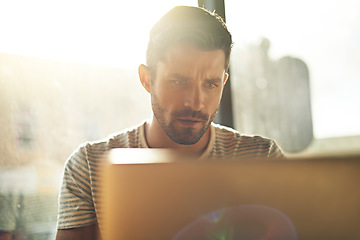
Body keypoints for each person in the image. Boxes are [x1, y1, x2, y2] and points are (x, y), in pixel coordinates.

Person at [55, 6, 285, 240]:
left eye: (211, 84)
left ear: (224, 82)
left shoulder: (262, 158)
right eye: (178, 81)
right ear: (147, 79)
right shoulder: (90, 166)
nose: (196, 103)